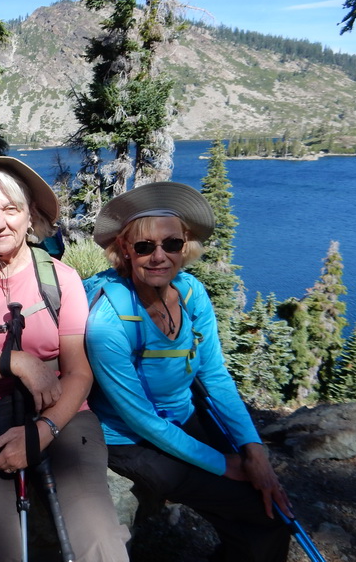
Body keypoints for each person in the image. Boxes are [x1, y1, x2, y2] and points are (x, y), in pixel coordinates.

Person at [0, 156, 128, 561]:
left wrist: (43, 430)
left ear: (30, 215)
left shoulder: (61, 278)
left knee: (98, 539)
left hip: (61, 414)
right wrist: (18, 361)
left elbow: (78, 372)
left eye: (10, 209)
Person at [84, 182, 292, 561]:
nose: (160, 256)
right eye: (145, 246)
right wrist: (223, 463)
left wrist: (253, 449)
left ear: (186, 246)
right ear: (125, 251)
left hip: (182, 414)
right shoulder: (108, 324)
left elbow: (214, 375)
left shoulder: (192, 292)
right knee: (254, 507)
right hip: (128, 439)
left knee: (265, 506)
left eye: (172, 244)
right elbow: (142, 420)